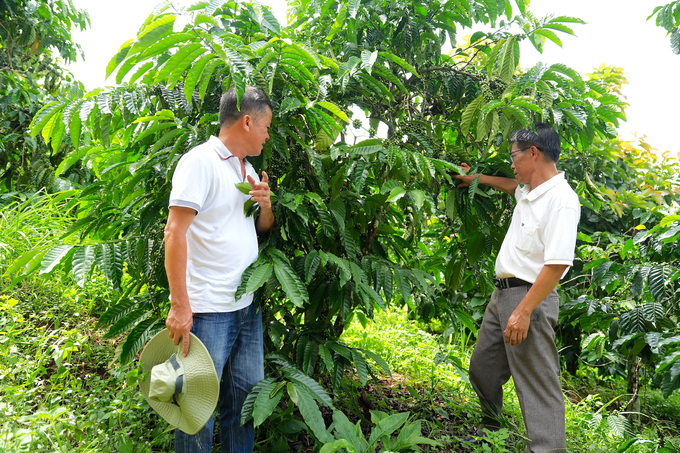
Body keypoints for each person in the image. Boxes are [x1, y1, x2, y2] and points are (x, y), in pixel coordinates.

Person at [453, 123, 580, 453]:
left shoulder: (562, 200)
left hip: (529, 299)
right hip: (502, 296)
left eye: (514, 155)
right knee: (483, 369)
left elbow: (556, 264)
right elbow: (512, 186)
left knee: (537, 383)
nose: (511, 163)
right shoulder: (531, 189)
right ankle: (491, 432)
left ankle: (548, 449)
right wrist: (475, 179)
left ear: (533, 153)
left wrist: (524, 311)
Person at [163, 85, 274, 453]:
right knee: (196, 408)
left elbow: (259, 229)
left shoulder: (248, 169)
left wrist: (266, 205)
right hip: (209, 310)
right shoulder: (200, 161)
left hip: (246, 307)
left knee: (244, 400)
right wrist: (180, 306)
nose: (268, 134)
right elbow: (174, 231)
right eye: (266, 126)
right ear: (247, 121)